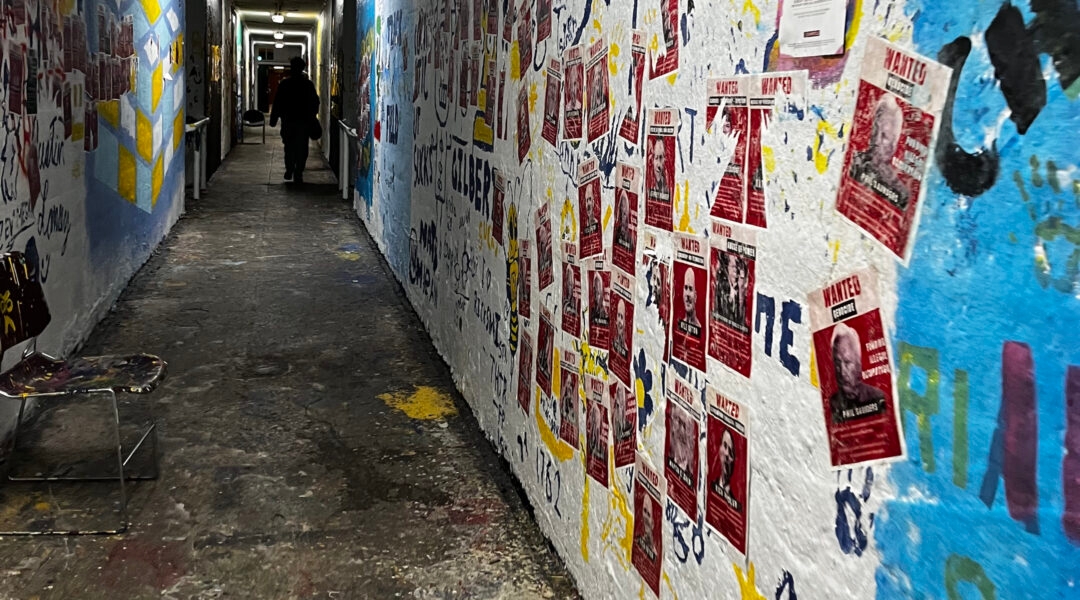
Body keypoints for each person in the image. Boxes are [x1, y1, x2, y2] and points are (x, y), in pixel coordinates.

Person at [848, 94, 909, 210]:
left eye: (885, 136)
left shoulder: (899, 193)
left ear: (893, 144)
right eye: (876, 129)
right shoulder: (854, 163)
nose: (877, 139)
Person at [269, 56, 320, 184]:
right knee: (302, 148)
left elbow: (277, 102)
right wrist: (312, 116)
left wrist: (274, 119)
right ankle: (298, 171)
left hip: (289, 122)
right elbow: (315, 102)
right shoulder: (307, 85)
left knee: (289, 147)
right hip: (303, 122)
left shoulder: (285, 84)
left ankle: (290, 168)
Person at [829, 323, 886, 423]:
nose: (842, 371)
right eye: (837, 363)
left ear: (858, 363)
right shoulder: (831, 404)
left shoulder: (876, 397)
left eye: (847, 362)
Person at [712, 429, 741, 511]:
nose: (727, 454)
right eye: (724, 445)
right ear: (719, 448)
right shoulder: (712, 485)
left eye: (731, 452)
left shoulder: (735, 501)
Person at [678, 267, 701, 334]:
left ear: (695, 296)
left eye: (690, 289)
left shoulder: (698, 327)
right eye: (685, 288)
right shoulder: (681, 323)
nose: (687, 294)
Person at [635, 494, 658, 560]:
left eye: (649, 514)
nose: (646, 518)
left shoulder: (655, 554)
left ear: (653, 523)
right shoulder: (637, 541)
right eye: (644, 511)